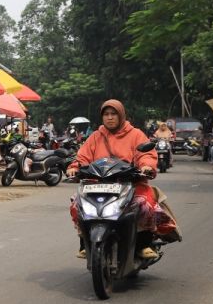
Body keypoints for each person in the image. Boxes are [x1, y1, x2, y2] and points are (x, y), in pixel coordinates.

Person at [66, 99, 180, 260]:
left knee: (145, 205)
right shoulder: (95, 136)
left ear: (121, 116)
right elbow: (82, 157)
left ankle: (143, 244)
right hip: (99, 184)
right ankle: (85, 243)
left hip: (130, 183)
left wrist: (146, 166)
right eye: (106, 114)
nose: (110, 118)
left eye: (113, 114)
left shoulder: (135, 134)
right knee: (77, 204)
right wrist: (74, 167)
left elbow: (146, 155)